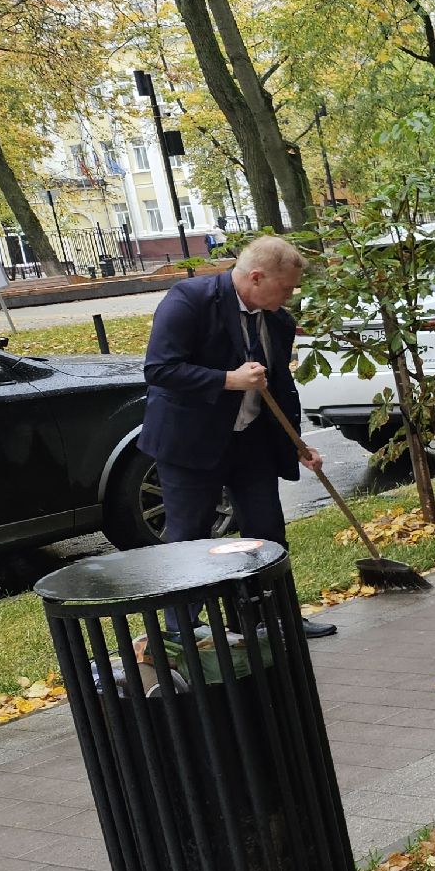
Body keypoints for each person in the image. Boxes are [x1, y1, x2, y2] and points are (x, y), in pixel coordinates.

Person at [140, 235, 337, 638]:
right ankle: (182, 631)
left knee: (267, 532)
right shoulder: (189, 300)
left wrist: (296, 444)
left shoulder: (277, 320)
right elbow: (159, 369)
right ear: (257, 277)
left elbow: (279, 386)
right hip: (191, 443)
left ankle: (271, 618)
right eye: (286, 287)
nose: (290, 296)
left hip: (251, 441)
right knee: (190, 537)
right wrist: (228, 379)